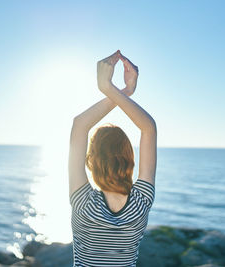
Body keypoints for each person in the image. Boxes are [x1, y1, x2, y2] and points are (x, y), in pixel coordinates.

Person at [68, 50, 157, 266]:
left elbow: (80, 125)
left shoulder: (83, 203)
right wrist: (116, 90)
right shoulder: (141, 202)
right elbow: (149, 129)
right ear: (130, 158)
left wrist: (116, 89)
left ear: (91, 161)